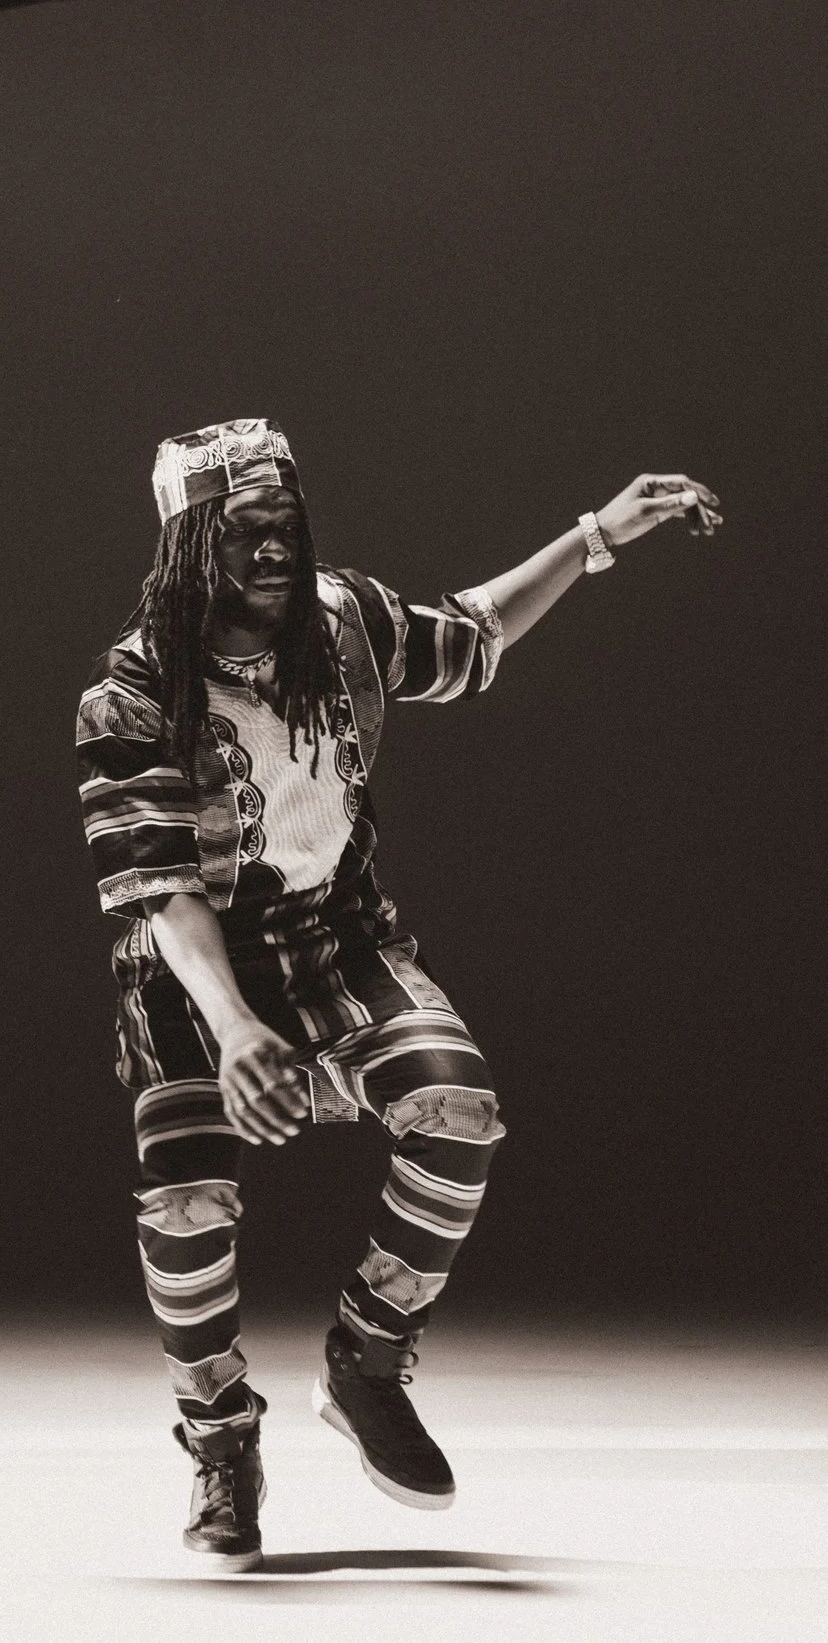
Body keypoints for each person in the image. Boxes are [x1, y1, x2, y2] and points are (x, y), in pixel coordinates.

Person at [75, 418, 720, 1568]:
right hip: (193, 974)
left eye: (284, 527)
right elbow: (161, 891)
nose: (273, 553)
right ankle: (220, 1437)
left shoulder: (343, 620)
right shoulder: (131, 692)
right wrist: (231, 1032)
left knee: (458, 1109)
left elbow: (470, 635)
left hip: (336, 937)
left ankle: (366, 1361)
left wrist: (592, 537)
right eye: (241, 534)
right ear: (184, 547)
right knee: (183, 1208)